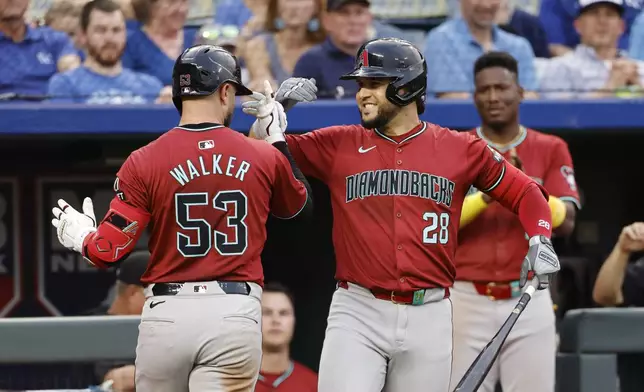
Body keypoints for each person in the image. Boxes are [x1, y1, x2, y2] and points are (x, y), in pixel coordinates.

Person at [243, 38, 561, 392]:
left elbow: (527, 193)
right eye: (361, 84)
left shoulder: (460, 148)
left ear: (407, 87)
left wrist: (540, 237)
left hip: (432, 312)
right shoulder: (339, 143)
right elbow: (264, 152)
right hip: (358, 308)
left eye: (375, 84)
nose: (363, 93)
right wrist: (267, 122)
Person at [50, 44, 312, 392]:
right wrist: (276, 140)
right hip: (233, 311)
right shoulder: (262, 155)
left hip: (168, 313)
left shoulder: (144, 160)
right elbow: (298, 208)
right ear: (225, 90)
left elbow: (106, 252)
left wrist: (84, 237)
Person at [450, 51, 581, 392]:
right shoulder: (455, 146)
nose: (493, 97)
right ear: (474, 95)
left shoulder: (550, 147)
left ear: (520, 92)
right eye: (484, 89)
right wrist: (494, 191)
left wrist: (525, 188)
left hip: (529, 295)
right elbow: (437, 220)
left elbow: (567, 221)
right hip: (465, 297)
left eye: (502, 87)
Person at [256, 282, 318, 392]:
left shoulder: (314, 384)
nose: (276, 320)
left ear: (294, 320)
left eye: (283, 313)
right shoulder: (232, 380)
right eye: (266, 312)